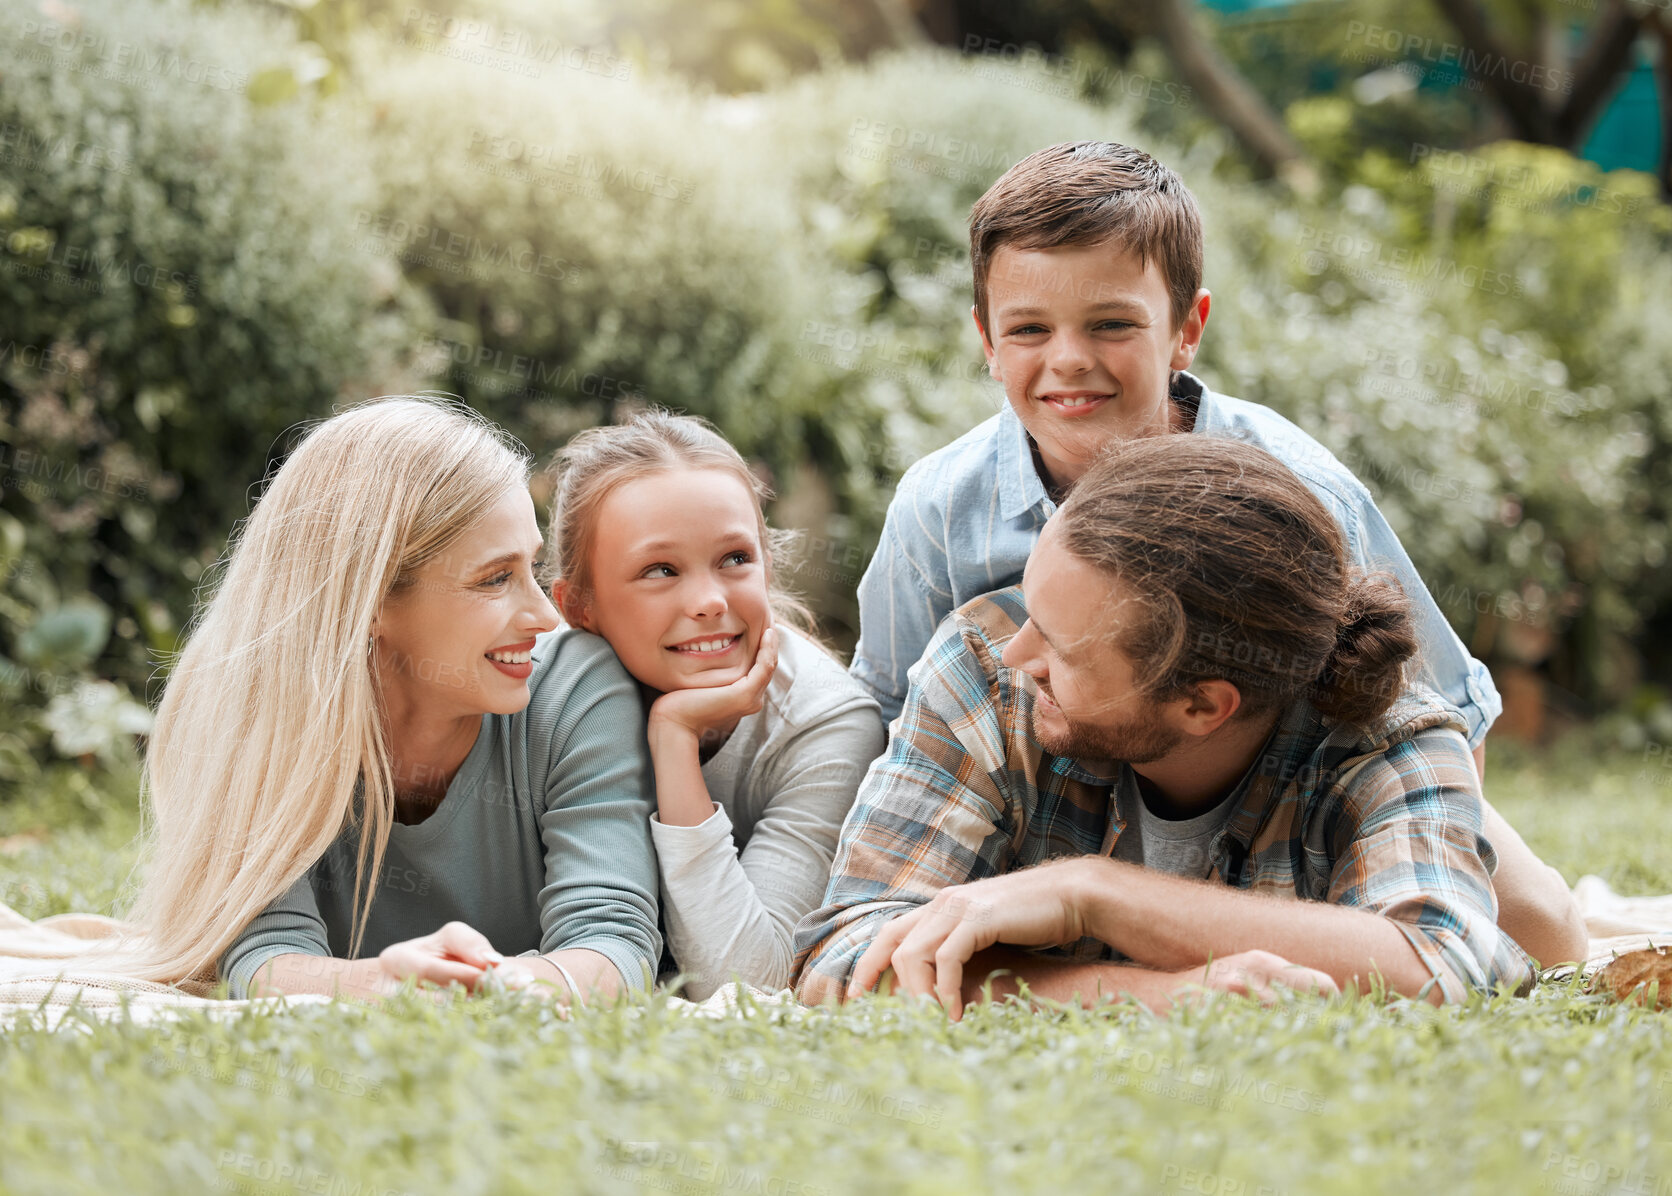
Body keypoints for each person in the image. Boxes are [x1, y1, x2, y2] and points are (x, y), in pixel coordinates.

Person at [846, 139, 1585, 968]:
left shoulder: (1293, 490)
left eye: (1112, 324)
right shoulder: (942, 507)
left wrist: (1401, 846)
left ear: (1186, 330)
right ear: (985, 338)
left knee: (1541, 927)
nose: (1069, 361)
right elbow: (884, 714)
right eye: (1028, 329)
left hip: (1278, 774)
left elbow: (1434, 706)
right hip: (1060, 784)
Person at [795, 435, 1539, 1015]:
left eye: (1063, 647)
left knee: (1560, 922)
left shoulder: (1388, 742)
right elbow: (846, 953)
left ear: (1202, 706)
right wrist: (1149, 999)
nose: (1020, 655)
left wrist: (1094, 891)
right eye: (1032, 609)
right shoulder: (984, 670)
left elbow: (1450, 968)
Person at [121, 396, 662, 1003]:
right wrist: (385, 981)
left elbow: (616, 943)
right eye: (494, 579)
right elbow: (263, 954)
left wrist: (484, 986)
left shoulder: (578, 689)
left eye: (531, 567)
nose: (544, 613)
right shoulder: (254, 713)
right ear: (371, 600)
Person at [548, 410, 885, 1000]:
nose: (708, 600)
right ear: (580, 606)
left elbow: (750, 982)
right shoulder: (543, 698)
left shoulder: (825, 724)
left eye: (735, 559)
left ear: (768, 561)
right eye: (660, 570)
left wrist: (673, 740)